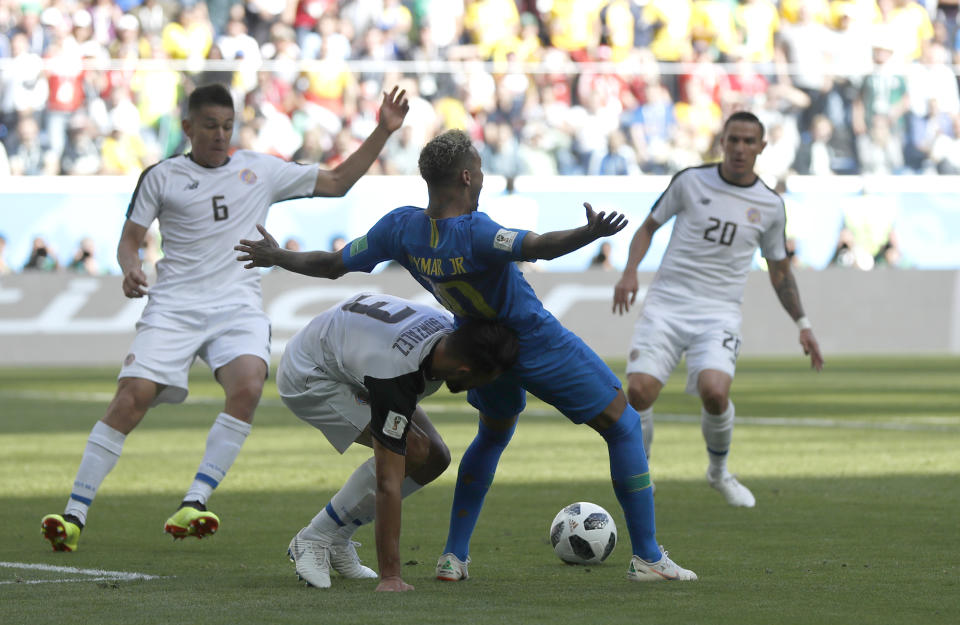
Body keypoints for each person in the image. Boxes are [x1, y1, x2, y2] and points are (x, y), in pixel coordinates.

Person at [235, 129, 698, 583]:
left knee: (493, 435)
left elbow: (334, 264)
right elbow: (535, 245)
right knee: (624, 424)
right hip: (531, 339)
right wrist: (587, 233)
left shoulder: (400, 228)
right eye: (479, 171)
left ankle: (454, 556)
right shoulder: (475, 232)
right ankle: (648, 557)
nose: (483, 179)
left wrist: (278, 257)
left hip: (475, 348)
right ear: (465, 176)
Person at [40, 82, 409, 552]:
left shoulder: (259, 169)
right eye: (211, 126)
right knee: (131, 399)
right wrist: (131, 268)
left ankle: (195, 501)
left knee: (249, 384)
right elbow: (131, 237)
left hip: (236, 306)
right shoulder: (161, 176)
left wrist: (382, 130)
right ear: (188, 127)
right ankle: (73, 515)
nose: (220, 135)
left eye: (228, 126)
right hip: (172, 305)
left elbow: (337, 183)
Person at [612, 111, 824, 509]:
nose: (740, 148)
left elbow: (780, 271)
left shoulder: (770, 205)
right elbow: (647, 228)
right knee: (638, 392)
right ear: (722, 142)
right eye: (733, 140)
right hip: (667, 306)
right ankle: (642, 476)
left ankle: (719, 472)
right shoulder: (691, 181)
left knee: (714, 392)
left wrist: (803, 323)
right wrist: (629, 273)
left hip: (719, 313)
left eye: (749, 141)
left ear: (762, 147)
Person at [279, 292, 518, 592]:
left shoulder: (445, 339)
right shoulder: (396, 373)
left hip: (352, 354)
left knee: (436, 457)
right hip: (311, 373)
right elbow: (387, 480)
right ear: (464, 371)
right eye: (484, 381)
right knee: (414, 451)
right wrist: (391, 577)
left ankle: (339, 536)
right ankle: (315, 536)